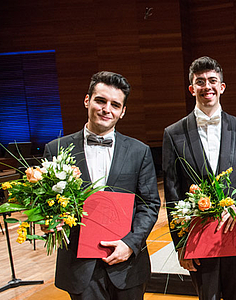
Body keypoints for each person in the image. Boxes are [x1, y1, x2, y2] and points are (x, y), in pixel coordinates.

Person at [44, 71, 161, 300]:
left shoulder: (139, 151)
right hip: (80, 267)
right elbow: (48, 206)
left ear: (123, 112)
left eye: (115, 105)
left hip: (128, 265)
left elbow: (149, 205)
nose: (107, 109)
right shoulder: (56, 150)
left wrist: (130, 243)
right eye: (100, 100)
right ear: (87, 100)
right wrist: (48, 221)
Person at [162, 56, 236, 300]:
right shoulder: (173, 133)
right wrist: (181, 244)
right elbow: (173, 194)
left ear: (222, 86)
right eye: (200, 82)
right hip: (196, 236)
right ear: (192, 89)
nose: (206, 86)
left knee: (235, 295)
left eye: (212, 80)